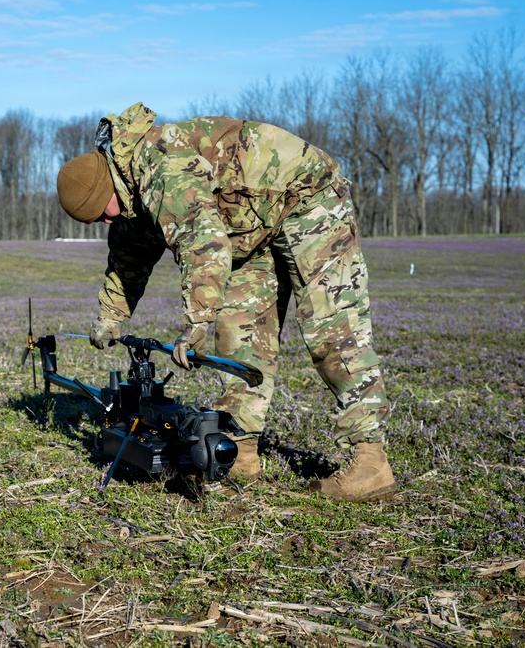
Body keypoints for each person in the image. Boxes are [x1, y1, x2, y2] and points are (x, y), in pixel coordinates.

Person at [55, 102, 396, 503]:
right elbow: (127, 259)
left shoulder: (162, 170)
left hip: (307, 197)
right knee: (239, 334)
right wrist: (110, 318)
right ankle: (241, 449)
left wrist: (196, 322)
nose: (107, 222)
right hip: (248, 226)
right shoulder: (129, 197)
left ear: (109, 186)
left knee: (331, 327)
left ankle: (370, 460)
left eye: (103, 215)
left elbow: (203, 243)